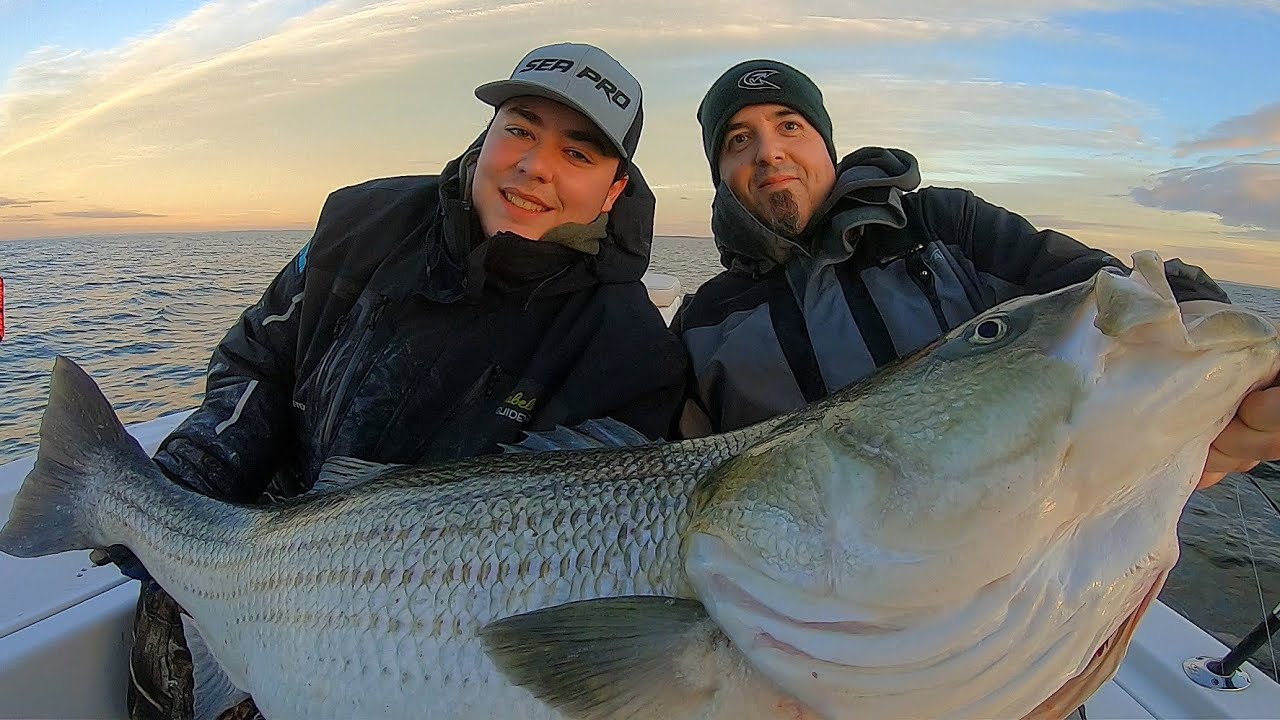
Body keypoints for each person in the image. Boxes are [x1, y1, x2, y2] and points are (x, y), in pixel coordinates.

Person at [113, 43, 687, 720]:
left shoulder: (631, 353)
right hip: (242, 559)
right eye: (522, 130)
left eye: (579, 154)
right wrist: (195, 473)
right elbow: (259, 356)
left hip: (411, 650)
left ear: (614, 188)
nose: (536, 167)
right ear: (488, 133)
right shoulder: (362, 222)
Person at [673, 58, 1280, 488]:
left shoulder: (947, 224)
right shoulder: (703, 321)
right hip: (808, 614)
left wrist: (1214, 336)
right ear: (720, 173)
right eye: (738, 139)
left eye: (789, 126)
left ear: (825, 145)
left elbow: (1112, 298)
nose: (769, 152)